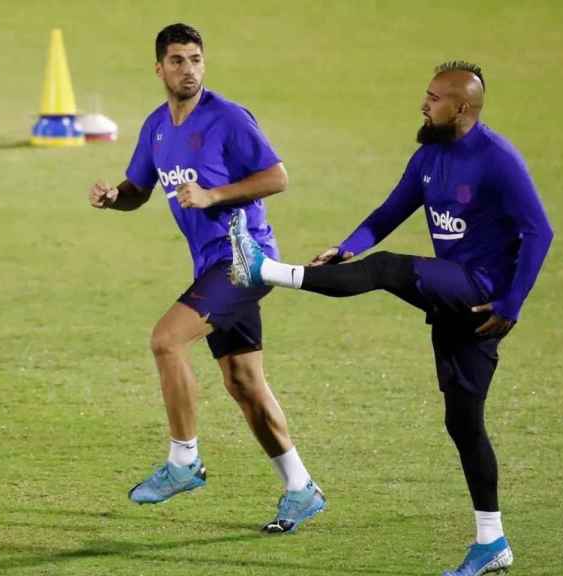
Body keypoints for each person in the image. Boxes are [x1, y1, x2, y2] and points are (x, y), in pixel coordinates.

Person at [229, 61, 553, 574]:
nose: (424, 104)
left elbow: (540, 232)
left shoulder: (498, 160)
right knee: (463, 422)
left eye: (435, 98)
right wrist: (347, 247)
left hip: (480, 292)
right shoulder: (428, 157)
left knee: (386, 271)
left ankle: (264, 269)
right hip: (452, 300)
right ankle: (493, 541)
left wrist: (512, 304)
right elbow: (389, 212)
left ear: (462, 109)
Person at [87, 23, 324, 534]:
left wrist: (214, 196)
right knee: (244, 384)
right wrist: (114, 199)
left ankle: (183, 461)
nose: (188, 69)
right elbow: (139, 189)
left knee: (166, 341)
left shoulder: (228, 118)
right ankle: (301, 488)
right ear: (159, 68)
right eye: (177, 60)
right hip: (211, 266)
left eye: (195, 59)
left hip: (244, 261)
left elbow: (277, 177)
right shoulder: (156, 128)